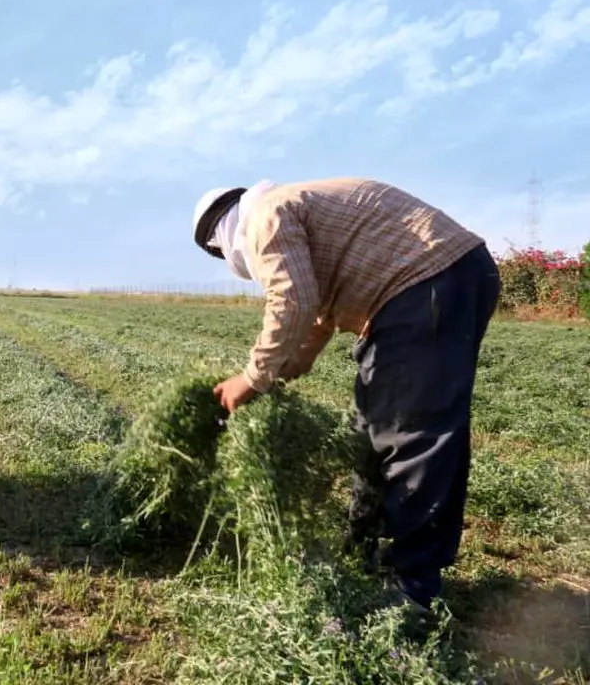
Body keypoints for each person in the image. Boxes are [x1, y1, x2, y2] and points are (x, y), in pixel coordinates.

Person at [191, 177, 501, 613]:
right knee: (375, 428)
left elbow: (292, 301)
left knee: (411, 433)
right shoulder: (296, 207)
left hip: (425, 285)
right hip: (442, 281)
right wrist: (286, 369)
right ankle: (363, 548)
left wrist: (253, 377)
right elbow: (317, 316)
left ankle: (412, 589)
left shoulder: (264, 217)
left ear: (222, 238)